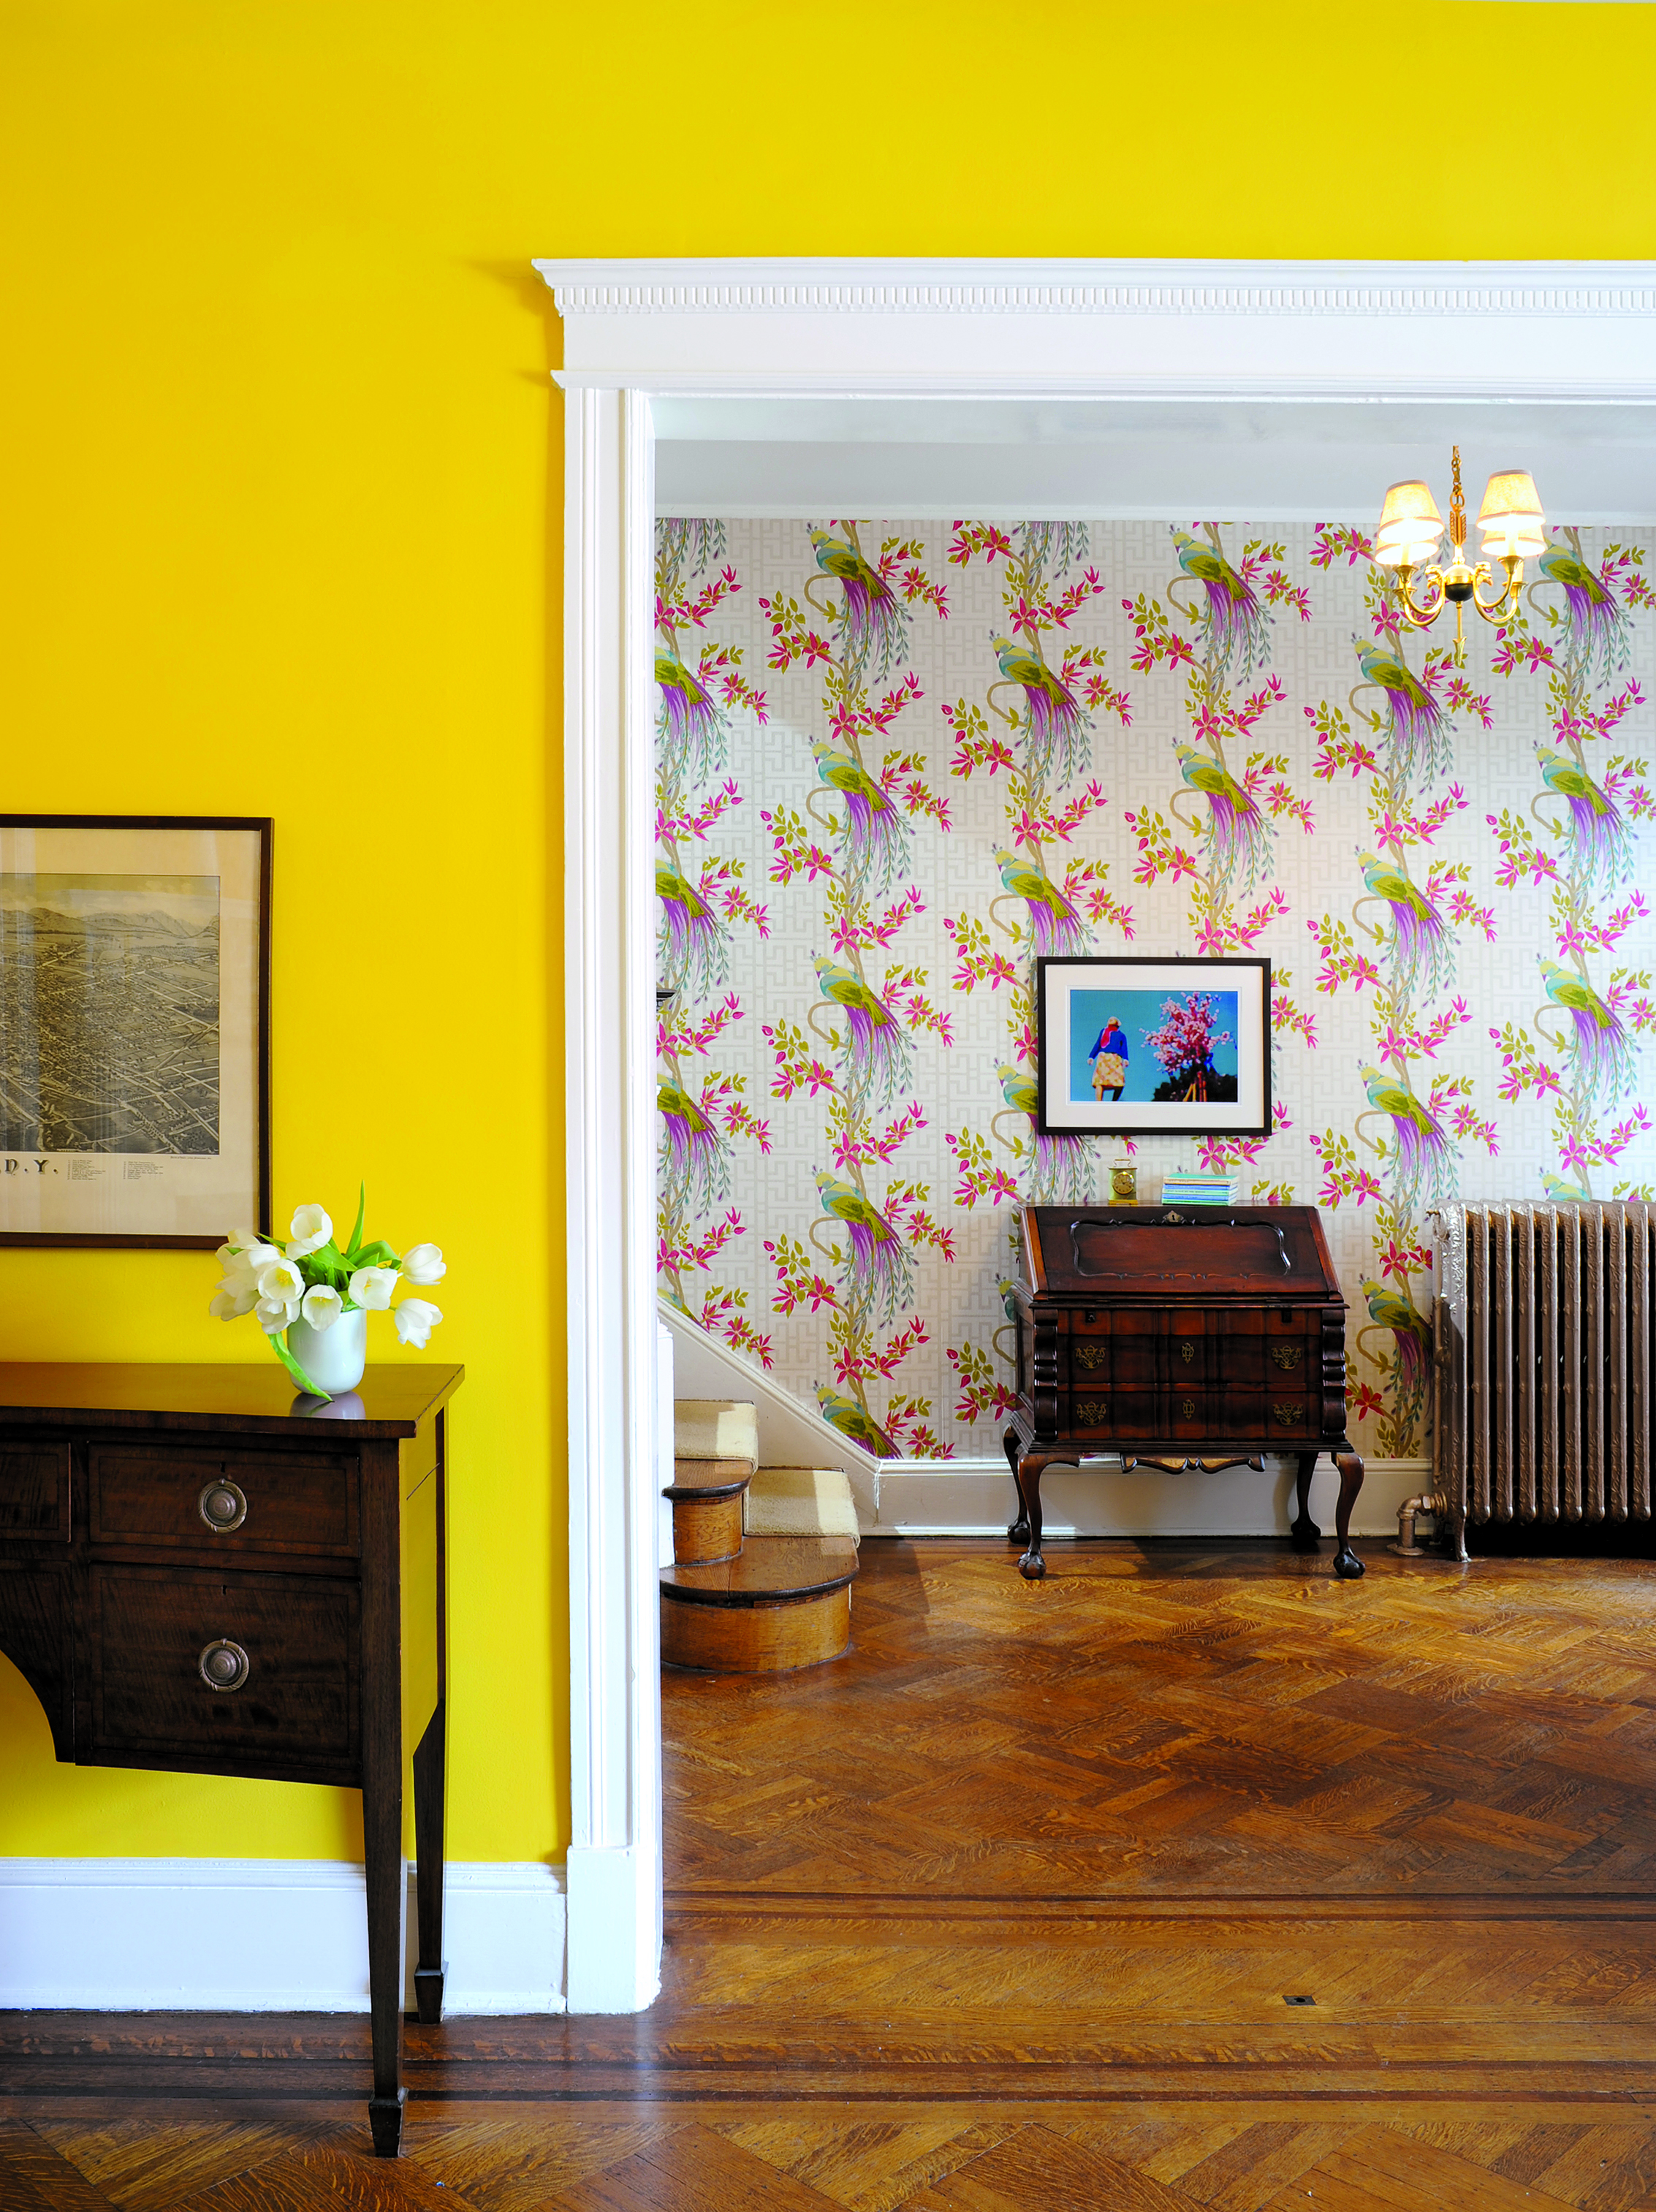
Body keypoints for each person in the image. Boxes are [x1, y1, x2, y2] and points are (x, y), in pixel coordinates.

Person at [1090, 1016, 1128, 1102]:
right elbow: (1098, 1044)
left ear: (1118, 1023)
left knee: (1120, 1082)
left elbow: (1124, 1047)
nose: (1111, 1019)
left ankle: (1114, 1102)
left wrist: (1126, 1059)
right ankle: (1099, 1103)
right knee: (1099, 1081)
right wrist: (1091, 1056)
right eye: (1109, 1019)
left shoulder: (1121, 1035)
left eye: (1113, 1019)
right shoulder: (1103, 1032)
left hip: (1116, 1058)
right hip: (1103, 1057)